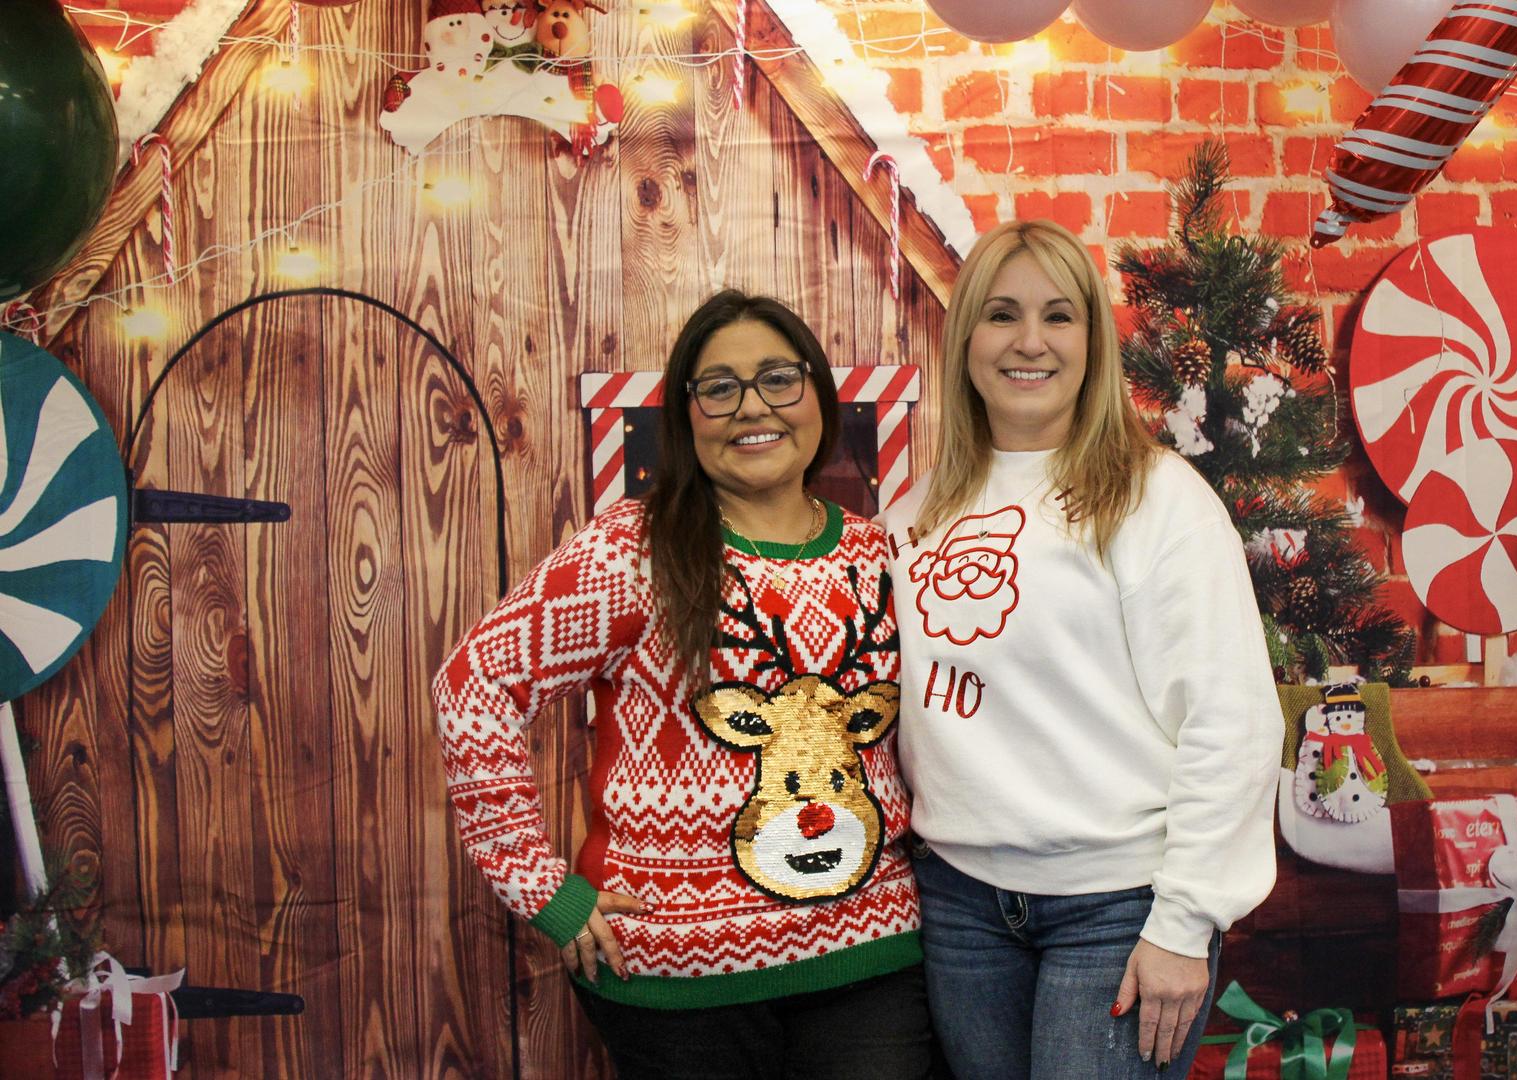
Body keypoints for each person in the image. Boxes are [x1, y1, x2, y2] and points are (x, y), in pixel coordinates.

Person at [433, 291, 935, 1079]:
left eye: (779, 378)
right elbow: (474, 686)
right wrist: (543, 890)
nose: (752, 407)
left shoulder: (884, 555)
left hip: (870, 965)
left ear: (818, 395)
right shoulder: (631, 551)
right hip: (676, 987)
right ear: (686, 414)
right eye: (720, 388)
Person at [881, 219, 1284, 1079]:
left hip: (1118, 910)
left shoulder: (1158, 499)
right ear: (965, 340)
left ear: (1093, 342)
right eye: (1002, 314)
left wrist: (1185, 922)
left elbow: (1232, 720)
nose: (1030, 341)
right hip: (959, 905)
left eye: (1058, 316)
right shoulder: (915, 513)